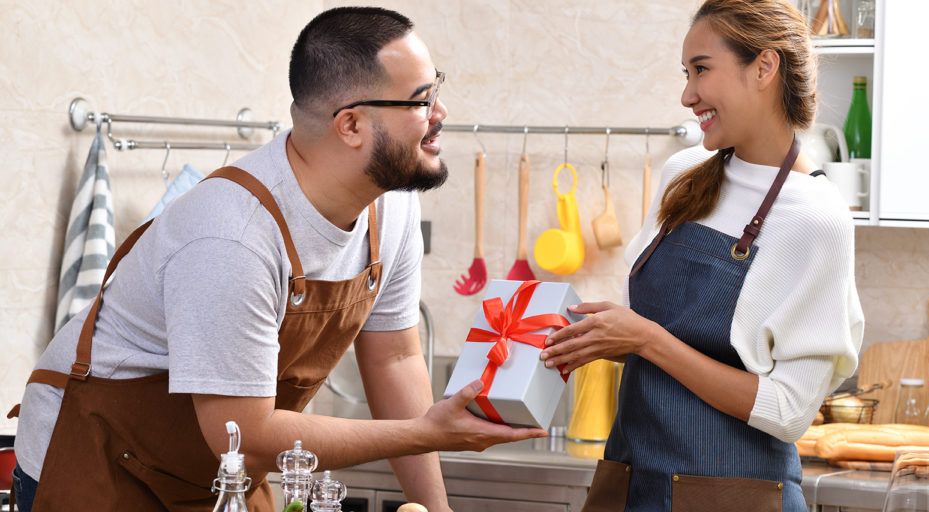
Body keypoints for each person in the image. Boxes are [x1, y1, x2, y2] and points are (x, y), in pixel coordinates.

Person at [10, 7, 545, 511]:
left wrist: (434, 508)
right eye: (421, 100)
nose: (440, 114)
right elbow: (242, 435)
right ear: (351, 125)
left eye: (437, 90)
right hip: (102, 463)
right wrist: (428, 432)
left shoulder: (391, 208)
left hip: (228, 467)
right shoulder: (233, 236)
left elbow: (394, 359)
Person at [540, 1, 864, 510]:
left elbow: (788, 411)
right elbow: (662, 329)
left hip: (734, 496)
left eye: (702, 70)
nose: (687, 94)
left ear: (764, 66)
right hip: (632, 481)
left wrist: (645, 340)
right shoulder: (684, 172)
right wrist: (604, 337)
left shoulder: (815, 217)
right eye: (685, 73)